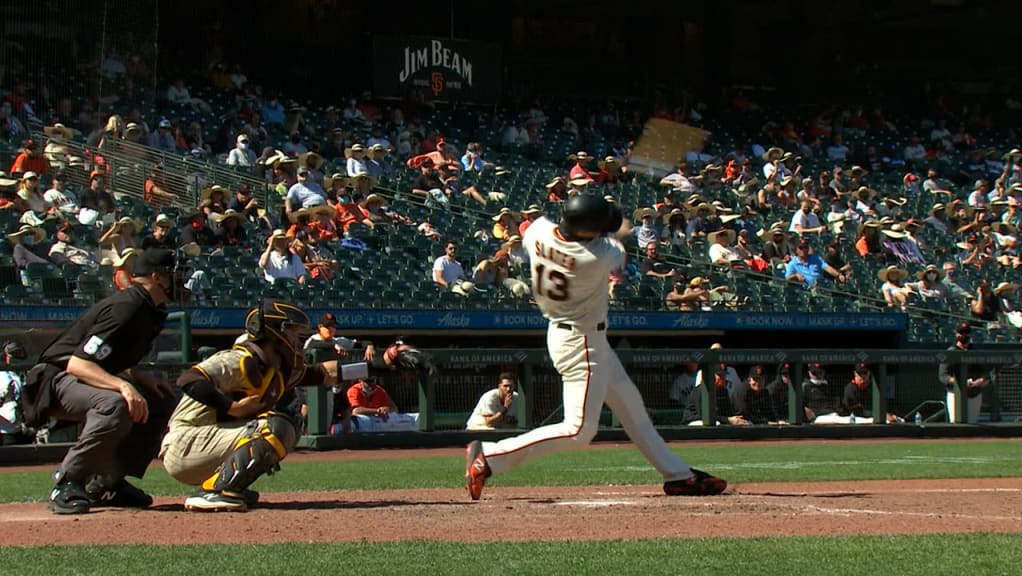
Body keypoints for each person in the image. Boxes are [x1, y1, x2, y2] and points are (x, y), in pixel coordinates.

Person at [464, 194, 726, 500]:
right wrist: (618, 224)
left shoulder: (537, 229)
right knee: (578, 430)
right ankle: (490, 457)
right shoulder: (597, 255)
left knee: (632, 409)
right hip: (582, 342)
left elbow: (592, 229)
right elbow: (622, 232)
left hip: (569, 333)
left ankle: (678, 476)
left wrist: (602, 221)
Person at [160, 300, 434, 511]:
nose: (297, 341)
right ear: (274, 334)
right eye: (292, 333)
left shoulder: (276, 368)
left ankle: (229, 486)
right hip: (186, 441)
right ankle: (214, 492)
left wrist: (382, 364)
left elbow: (324, 374)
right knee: (278, 424)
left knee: (289, 419)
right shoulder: (241, 359)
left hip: (207, 441)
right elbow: (189, 379)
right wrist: (231, 408)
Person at [19, 249, 182, 514]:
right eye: (174, 274)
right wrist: (123, 385)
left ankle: (107, 482)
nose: (180, 279)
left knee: (161, 402)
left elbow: (108, 359)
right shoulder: (127, 306)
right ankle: (68, 481)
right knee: (115, 403)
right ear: (157, 277)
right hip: (55, 379)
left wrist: (138, 378)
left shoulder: (150, 308)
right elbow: (77, 362)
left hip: (83, 378)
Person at [938, 323, 988, 424]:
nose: (964, 335)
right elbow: (943, 376)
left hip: (973, 393)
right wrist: (959, 381)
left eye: (967, 332)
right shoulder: (950, 352)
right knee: (956, 424)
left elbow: (984, 374)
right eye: (961, 332)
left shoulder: (975, 352)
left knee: (972, 424)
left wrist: (979, 381)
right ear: (956, 334)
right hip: (955, 393)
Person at [1, 340, 31, 444]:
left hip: (21, 429)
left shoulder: (23, 376)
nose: (15, 359)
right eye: (12, 355)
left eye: (18, 355)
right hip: (6, 431)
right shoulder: (3, 377)